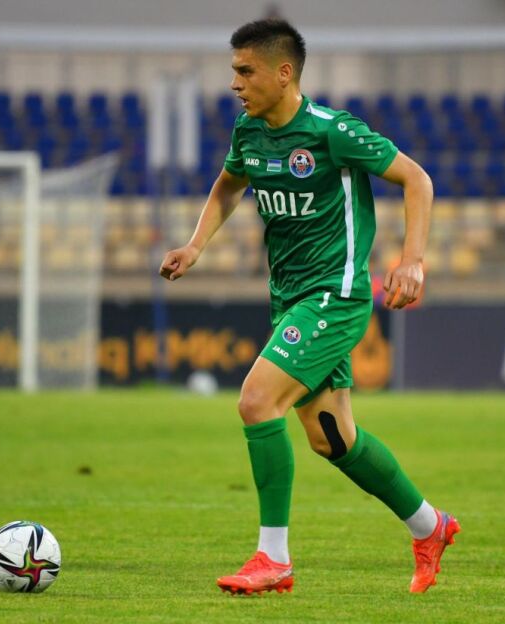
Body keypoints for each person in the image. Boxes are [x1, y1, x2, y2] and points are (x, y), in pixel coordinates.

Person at [159, 18, 459, 595]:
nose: (235, 83)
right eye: (233, 71)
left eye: (245, 71)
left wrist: (412, 260)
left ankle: (274, 558)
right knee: (332, 437)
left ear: (283, 72)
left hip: (335, 295)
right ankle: (431, 526)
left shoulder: (332, 131)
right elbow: (229, 184)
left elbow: (417, 180)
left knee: (256, 400)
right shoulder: (248, 131)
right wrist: (195, 246)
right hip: (289, 298)